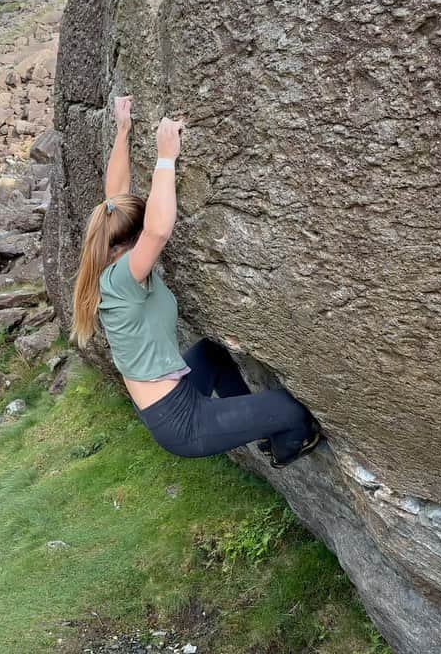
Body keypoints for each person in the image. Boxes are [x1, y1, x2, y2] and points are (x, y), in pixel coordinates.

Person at [68, 95, 321, 468]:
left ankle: (259, 424)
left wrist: (122, 130)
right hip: (181, 423)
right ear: (131, 242)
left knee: (213, 354)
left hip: (177, 394)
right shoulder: (122, 278)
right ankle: (286, 449)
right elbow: (157, 231)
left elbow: (115, 197)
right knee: (290, 409)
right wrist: (166, 156)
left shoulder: (108, 253)